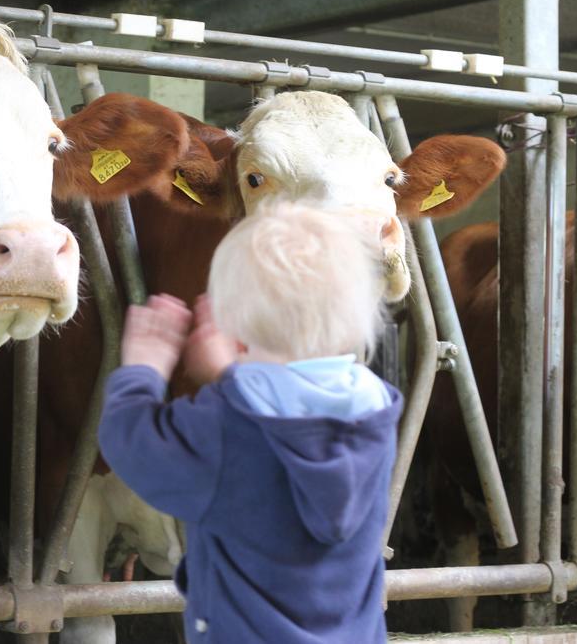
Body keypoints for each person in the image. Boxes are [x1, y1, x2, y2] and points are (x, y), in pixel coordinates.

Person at [98, 200, 403, 643]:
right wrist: (229, 377)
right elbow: (285, 429)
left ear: (232, 329)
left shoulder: (224, 422)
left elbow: (131, 445)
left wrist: (142, 371)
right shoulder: (372, 412)